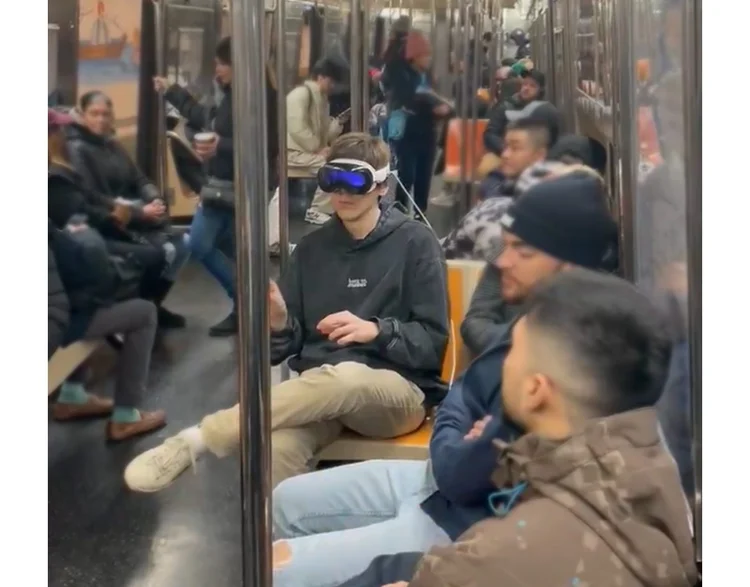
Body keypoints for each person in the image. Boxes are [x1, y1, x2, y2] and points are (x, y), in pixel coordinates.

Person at [261, 174, 620, 587]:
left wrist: (379, 332)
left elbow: (464, 455)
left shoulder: (572, 346)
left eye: (521, 249)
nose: (501, 260)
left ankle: (215, 433)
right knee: (284, 501)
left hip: (466, 517)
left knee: (273, 570)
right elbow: (464, 396)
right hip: (433, 480)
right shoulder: (530, 321)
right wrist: (280, 323)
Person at [123, 133, 449, 492]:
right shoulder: (312, 250)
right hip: (321, 393)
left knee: (348, 377)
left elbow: (431, 343)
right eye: (332, 181)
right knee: (276, 450)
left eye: (355, 182)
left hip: (394, 393)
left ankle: (200, 439)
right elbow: (287, 346)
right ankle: (287, 546)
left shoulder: (416, 243)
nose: (342, 194)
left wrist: (377, 331)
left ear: (381, 187)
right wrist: (279, 321)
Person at [340, 270, 698, 587]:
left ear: (535, 390)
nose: (500, 364)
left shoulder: (497, 556)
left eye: (512, 354)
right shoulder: (652, 468)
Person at [63, 93, 188, 329]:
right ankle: (141, 310)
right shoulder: (77, 149)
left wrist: (154, 198)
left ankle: (153, 304)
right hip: (111, 222)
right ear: (82, 115)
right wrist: (141, 212)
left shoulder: (112, 144)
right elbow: (94, 196)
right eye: (94, 114)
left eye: (105, 114)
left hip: (135, 215)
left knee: (183, 245)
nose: (100, 119)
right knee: (163, 252)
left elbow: (139, 178)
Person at [461, 166, 613, 356]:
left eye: (524, 252)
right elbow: (476, 320)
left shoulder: (608, 337)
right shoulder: (505, 249)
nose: (503, 262)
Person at [48, 218, 167, 441]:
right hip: (57, 327)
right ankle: (125, 417)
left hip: (60, 313)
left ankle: (72, 396)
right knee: (144, 313)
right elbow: (56, 307)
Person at [154, 36, 238, 336]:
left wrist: (221, 146)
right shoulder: (228, 95)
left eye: (221, 64)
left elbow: (261, 142)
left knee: (199, 243)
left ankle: (243, 301)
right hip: (222, 182)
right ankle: (250, 300)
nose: (217, 70)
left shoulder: (251, 97)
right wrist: (173, 92)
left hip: (229, 184)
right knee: (231, 247)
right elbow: (204, 117)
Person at [381, 30, 452, 214]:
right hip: (408, 131)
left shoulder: (426, 75)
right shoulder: (400, 73)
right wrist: (433, 106)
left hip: (428, 130)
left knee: (424, 175)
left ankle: (421, 212)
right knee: (407, 174)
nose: (428, 59)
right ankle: (400, 210)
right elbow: (405, 97)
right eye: (425, 55)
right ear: (414, 57)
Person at [286, 55, 350, 225]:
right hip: (291, 154)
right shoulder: (300, 95)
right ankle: (317, 209)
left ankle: (323, 208)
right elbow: (296, 128)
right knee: (330, 167)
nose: (334, 87)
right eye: (332, 82)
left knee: (336, 163)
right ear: (321, 77)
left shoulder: (321, 99)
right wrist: (316, 148)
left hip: (303, 152)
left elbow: (323, 135)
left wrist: (337, 124)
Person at [478, 117, 553, 200]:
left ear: (539, 155)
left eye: (515, 148)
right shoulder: (494, 182)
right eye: (505, 146)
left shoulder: (549, 196)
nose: (505, 154)